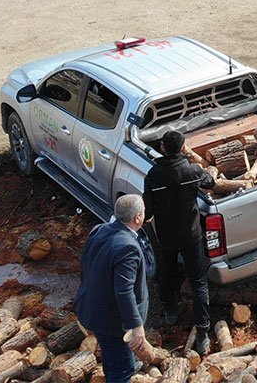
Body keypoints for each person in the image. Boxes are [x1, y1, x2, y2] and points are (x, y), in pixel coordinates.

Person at [143, 131, 215, 355]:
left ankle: (170, 311)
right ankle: (203, 333)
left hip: (166, 237)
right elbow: (211, 182)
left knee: (167, 273)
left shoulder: (153, 176)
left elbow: (148, 212)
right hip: (191, 237)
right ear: (183, 148)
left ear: (162, 148)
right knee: (198, 282)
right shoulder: (192, 171)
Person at [74, 195, 151, 383]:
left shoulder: (99, 230)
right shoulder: (127, 248)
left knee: (111, 360)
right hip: (114, 322)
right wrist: (136, 326)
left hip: (93, 309)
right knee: (123, 371)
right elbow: (124, 291)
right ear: (138, 218)